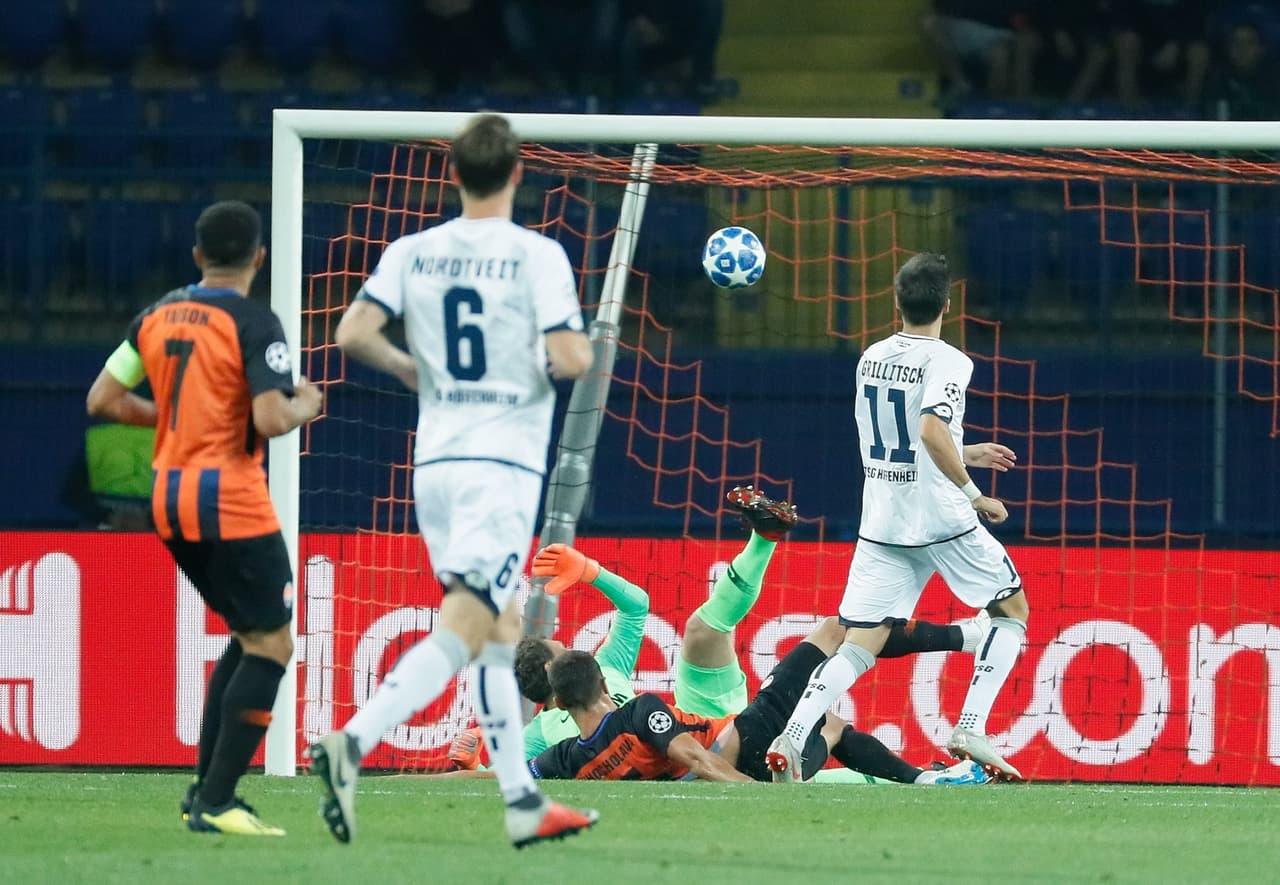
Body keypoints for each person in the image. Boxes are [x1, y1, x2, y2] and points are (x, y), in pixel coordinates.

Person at [308, 112, 598, 849]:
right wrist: (530, 363)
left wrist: (414, 371)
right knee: (469, 620)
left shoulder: (415, 250)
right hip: (498, 468)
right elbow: (572, 356)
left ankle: (522, 802)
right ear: (517, 172)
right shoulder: (537, 256)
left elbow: (350, 332)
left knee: (499, 634)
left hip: (435, 461)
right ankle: (353, 740)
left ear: (452, 173)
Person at [452, 486, 992, 781]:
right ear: (551, 684)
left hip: (694, 721)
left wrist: (591, 571)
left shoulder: (604, 671)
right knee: (824, 717)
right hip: (705, 744)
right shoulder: (548, 735)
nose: (573, 644)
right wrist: (472, 762)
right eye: (561, 648)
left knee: (702, 630)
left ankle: (765, 539)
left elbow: (636, 605)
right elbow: (505, 772)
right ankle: (967, 645)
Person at [85, 200, 323, 836]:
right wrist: (306, 403)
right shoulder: (254, 321)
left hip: (168, 497)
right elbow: (272, 419)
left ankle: (203, 794)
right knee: (272, 643)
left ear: (197, 256)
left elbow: (102, 399)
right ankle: (218, 801)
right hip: (230, 500)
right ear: (258, 259)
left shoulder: (154, 317)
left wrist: (167, 419)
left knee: (248, 637)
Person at [766, 252, 1029, 784]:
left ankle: (792, 737)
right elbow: (931, 430)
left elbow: (905, 435)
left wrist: (968, 450)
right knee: (1011, 612)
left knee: (861, 640)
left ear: (896, 301)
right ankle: (970, 727)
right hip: (939, 517)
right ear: (948, 305)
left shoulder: (871, 357)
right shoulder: (951, 361)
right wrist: (974, 491)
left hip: (883, 519)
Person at [527, 629, 988, 785]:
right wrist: (753, 790)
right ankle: (968, 636)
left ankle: (926, 779)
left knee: (830, 727)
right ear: (603, 681)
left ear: (559, 704)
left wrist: (452, 773)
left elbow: (506, 771)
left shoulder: (571, 756)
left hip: (741, 755)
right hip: (744, 737)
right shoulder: (638, 712)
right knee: (833, 630)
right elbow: (696, 758)